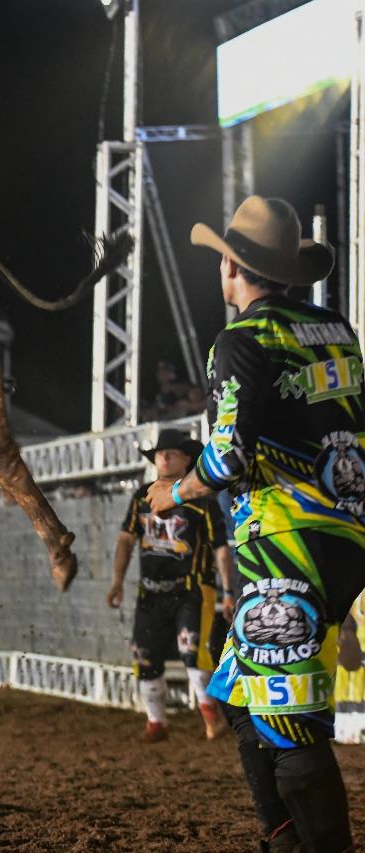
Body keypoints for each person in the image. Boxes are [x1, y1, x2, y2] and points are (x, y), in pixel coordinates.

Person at [147, 196, 362, 851]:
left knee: (292, 726)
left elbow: (228, 455)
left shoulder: (241, 339)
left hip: (284, 541)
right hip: (343, 533)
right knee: (240, 695)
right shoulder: (335, 329)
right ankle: (284, 838)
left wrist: (173, 493)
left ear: (232, 267)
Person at [106, 429, 234, 743]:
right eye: (160, 453)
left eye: (171, 453)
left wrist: (229, 590)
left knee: (192, 652)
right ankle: (156, 721)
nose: (163, 457)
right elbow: (126, 539)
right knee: (144, 656)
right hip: (150, 590)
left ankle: (209, 712)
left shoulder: (202, 500)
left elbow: (220, 548)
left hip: (193, 588)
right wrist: (118, 580)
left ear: (186, 459)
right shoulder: (142, 497)